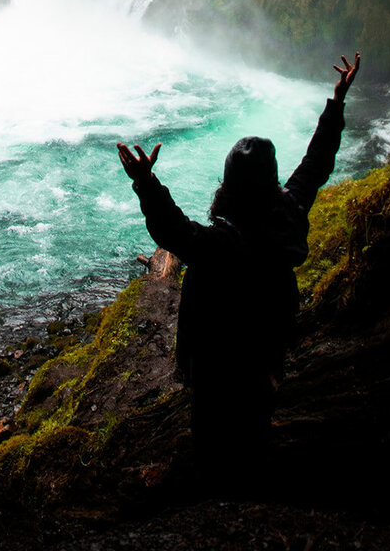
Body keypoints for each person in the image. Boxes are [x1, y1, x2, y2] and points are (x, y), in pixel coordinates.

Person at [117, 51, 360, 490]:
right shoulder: (288, 213)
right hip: (266, 350)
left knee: (212, 437)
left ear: (227, 187)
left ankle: (218, 497)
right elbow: (317, 163)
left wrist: (146, 182)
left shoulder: (218, 245)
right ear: (271, 181)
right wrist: (336, 102)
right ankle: (251, 483)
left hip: (216, 362)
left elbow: (173, 229)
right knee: (256, 423)